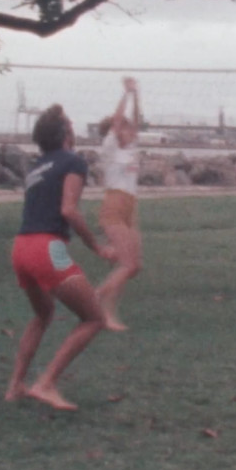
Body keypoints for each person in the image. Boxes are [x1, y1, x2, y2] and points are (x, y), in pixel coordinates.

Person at [5, 104, 117, 411]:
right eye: (71, 125)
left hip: (21, 247)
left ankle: (15, 386)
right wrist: (97, 246)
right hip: (46, 248)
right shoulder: (73, 161)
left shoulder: (37, 167)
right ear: (66, 133)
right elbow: (68, 210)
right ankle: (46, 383)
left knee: (42, 315)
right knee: (94, 318)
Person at [95, 77, 143, 331]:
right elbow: (117, 122)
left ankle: (108, 313)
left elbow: (136, 119)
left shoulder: (131, 146)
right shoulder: (110, 147)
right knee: (129, 264)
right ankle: (96, 297)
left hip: (130, 207)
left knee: (133, 266)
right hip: (114, 205)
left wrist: (136, 94)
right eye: (125, 127)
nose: (130, 130)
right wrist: (125, 94)